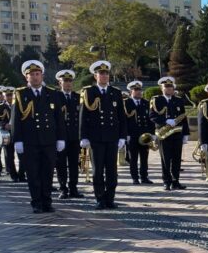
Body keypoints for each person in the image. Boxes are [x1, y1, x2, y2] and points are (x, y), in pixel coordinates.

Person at [11, 60, 64, 214]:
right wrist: (17, 140)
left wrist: (60, 138)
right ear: (26, 77)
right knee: (33, 173)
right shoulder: (21, 94)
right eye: (31, 75)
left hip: (49, 140)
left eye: (37, 74)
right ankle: (36, 202)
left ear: (42, 75)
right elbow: (16, 119)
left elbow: (58, 118)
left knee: (47, 173)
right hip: (30, 141)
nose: (35, 77)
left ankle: (47, 202)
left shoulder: (52, 93)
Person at [79, 60, 126, 209]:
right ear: (95, 75)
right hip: (96, 138)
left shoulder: (116, 93)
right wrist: (84, 136)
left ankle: (110, 198)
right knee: (98, 170)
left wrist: (122, 136)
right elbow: (83, 116)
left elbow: (121, 116)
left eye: (106, 73)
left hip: (112, 137)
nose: (104, 76)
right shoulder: (88, 92)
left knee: (112, 170)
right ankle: (99, 198)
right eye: (101, 74)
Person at [149, 76, 190, 191]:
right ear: (161, 88)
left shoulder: (178, 100)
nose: (168, 89)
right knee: (165, 159)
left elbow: (183, 118)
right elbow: (152, 116)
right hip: (163, 133)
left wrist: (186, 134)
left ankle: (175, 181)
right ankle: (166, 181)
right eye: (166, 87)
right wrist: (165, 121)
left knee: (177, 159)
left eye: (170, 87)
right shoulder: (156, 100)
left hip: (177, 133)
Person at [54, 69, 82, 199]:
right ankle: (63, 188)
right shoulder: (55, 97)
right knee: (61, 164)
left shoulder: (78, 97)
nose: (68, 84)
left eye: (70, 81)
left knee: (74, 164)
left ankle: (73, 188)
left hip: (75, 136)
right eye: (65, 81)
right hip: (61, 137)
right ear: (60, 83)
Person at [123, 80, 155, 185]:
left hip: (144, 135)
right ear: (131, 91)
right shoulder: (126, 103)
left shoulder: (146, 103)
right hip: (132, 135)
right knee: (133, 158)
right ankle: (135, 178)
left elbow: (151, 120)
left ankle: (144, 177)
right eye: (136, 90)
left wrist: (152, 133)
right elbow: (123, 120)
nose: (138, 92)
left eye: (140, 90)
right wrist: (125, 134)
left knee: (144, 157)